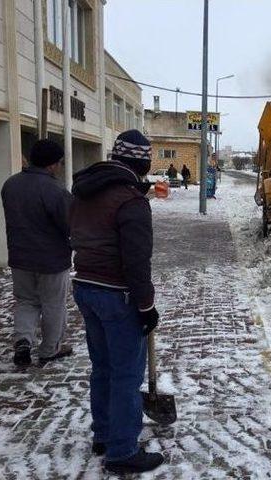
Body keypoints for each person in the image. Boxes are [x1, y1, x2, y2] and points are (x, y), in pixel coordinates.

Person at [70, 130, 164, 474]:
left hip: (85, 286)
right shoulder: (130, 200)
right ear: (141, 161)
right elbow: (137, 262)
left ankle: (105, 434)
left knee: (104, 366)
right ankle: (122, 452)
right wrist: (146, 307)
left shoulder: (83, 191)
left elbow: (73, 232)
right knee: (126, 374)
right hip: (117, 294)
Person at [1, 140, 74, 367]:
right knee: (53, 303)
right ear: (52, 164)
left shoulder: (10, 185)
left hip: (20, 257)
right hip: (51, 259)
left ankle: (23, 340)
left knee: (25, 301)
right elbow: (69, 223)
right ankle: (49, 349)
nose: (61, 166)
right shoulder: (55, 189)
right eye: (60, 162)